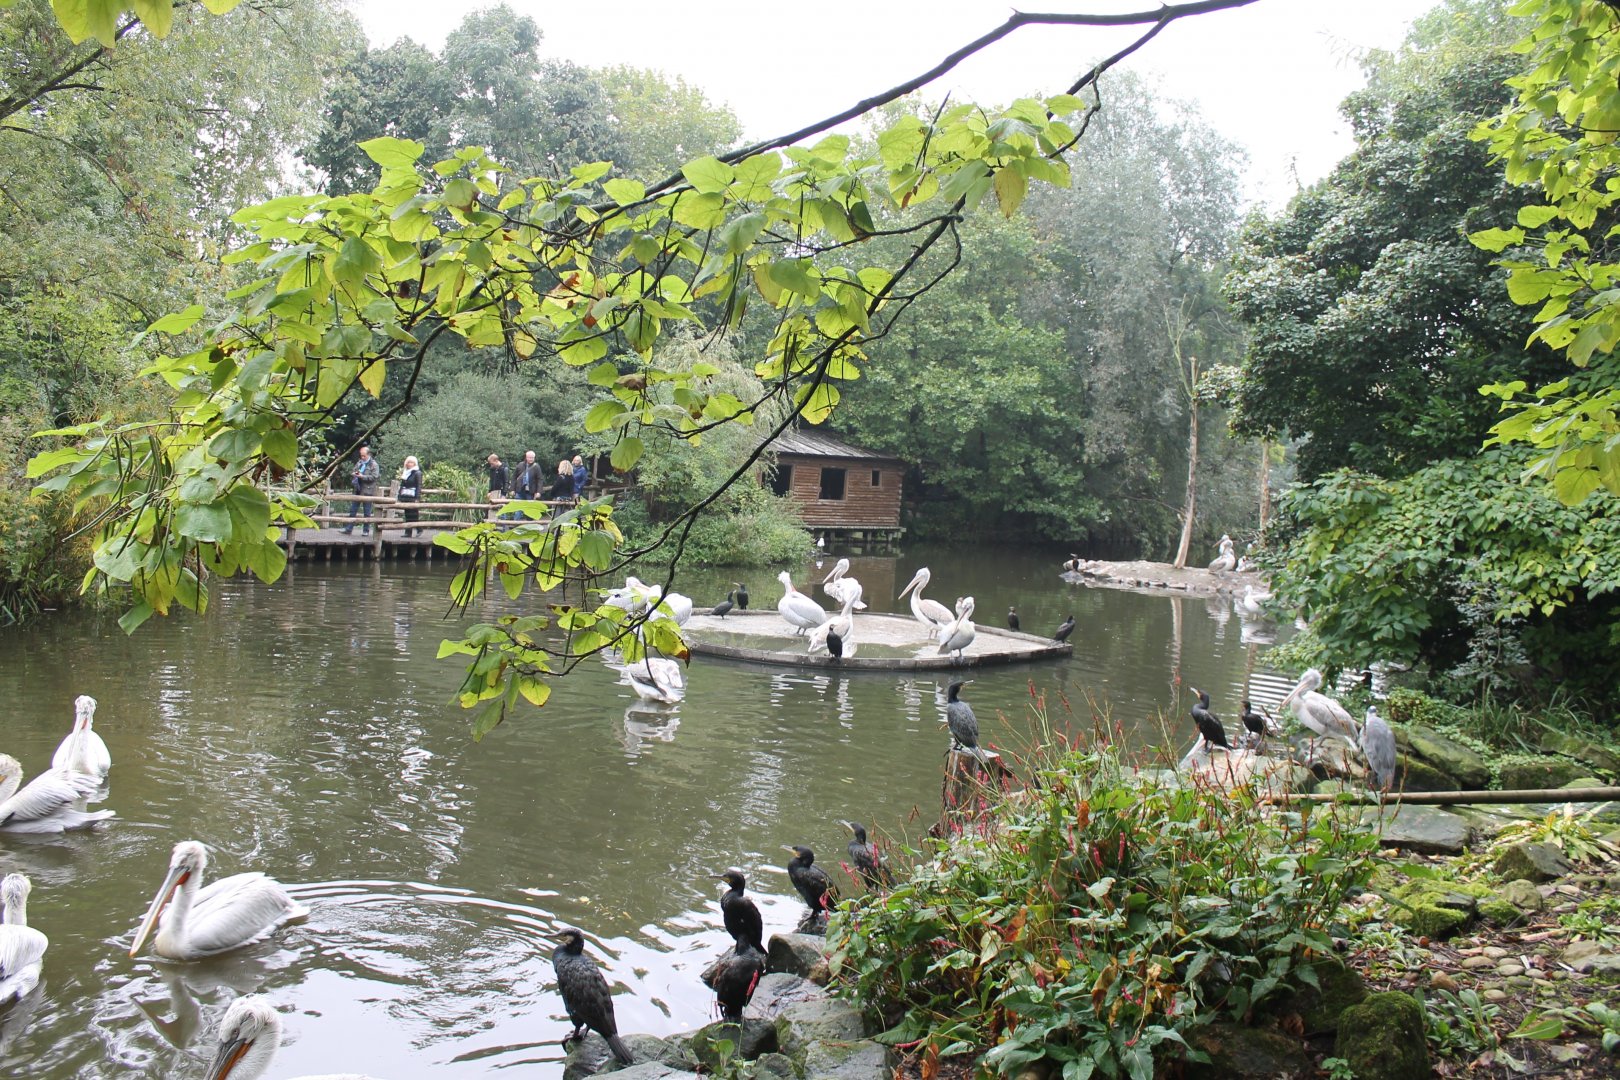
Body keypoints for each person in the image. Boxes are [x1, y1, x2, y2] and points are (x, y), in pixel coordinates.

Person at [342, 446, 380, 535]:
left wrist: (363, 476)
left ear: (368, 454)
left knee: (367, 512)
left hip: (368, 491)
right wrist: (355, 474)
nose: (362, 458)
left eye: (364, 456)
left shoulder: (374, 465)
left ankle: (366, 531)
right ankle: (349, 529)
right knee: (353, 510)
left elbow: (374, 477)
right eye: (361, 456)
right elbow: (354, 470)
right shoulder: (359, 462)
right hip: (357, 489)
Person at [397, 456, 423, 537]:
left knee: (414, 514)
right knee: (407, 514)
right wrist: (399, 496)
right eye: (408, 462)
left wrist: (417, 498)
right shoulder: (406, 472)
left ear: (414, 463)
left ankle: (419, 529)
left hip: (413, 496)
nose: (409, 464)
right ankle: (408, 532)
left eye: (411, 462)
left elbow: (419, 486)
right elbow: (402, 485)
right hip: (406, 496)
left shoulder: (417, 473)